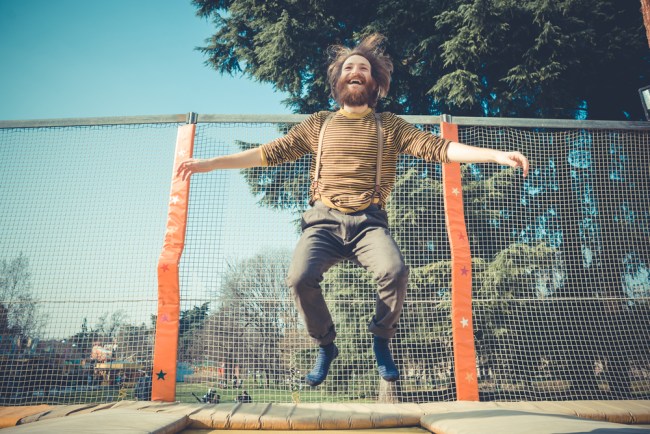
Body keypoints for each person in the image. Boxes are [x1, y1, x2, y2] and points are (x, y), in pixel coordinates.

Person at [177, 34, 529, 387]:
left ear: (374, 82)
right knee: (299, 278)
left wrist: (495, 155)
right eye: (349, 68)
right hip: (323, 222)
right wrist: (211, 163)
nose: (355, 71)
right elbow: (267, 152)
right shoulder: (319, 124)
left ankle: (381, 339)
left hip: (368, 223)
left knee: (395, 271)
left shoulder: (389, 126)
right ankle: (326, 345)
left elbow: (440, 148)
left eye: (363, 68)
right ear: (339, 81)